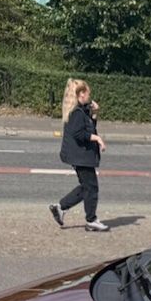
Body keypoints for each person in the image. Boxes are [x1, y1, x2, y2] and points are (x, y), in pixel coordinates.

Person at [49, 79, 108, 231]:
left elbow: (89, 129)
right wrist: (98, 139)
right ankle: (91, 220)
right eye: (88, 93)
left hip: (81, 155)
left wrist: (95, 115)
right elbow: (80, 134)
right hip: (81, 156)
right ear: (81, 94)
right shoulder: (76, 113)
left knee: (87, 187)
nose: (89, 96)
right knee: (91, 187)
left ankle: (60, 207)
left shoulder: (81, 110)